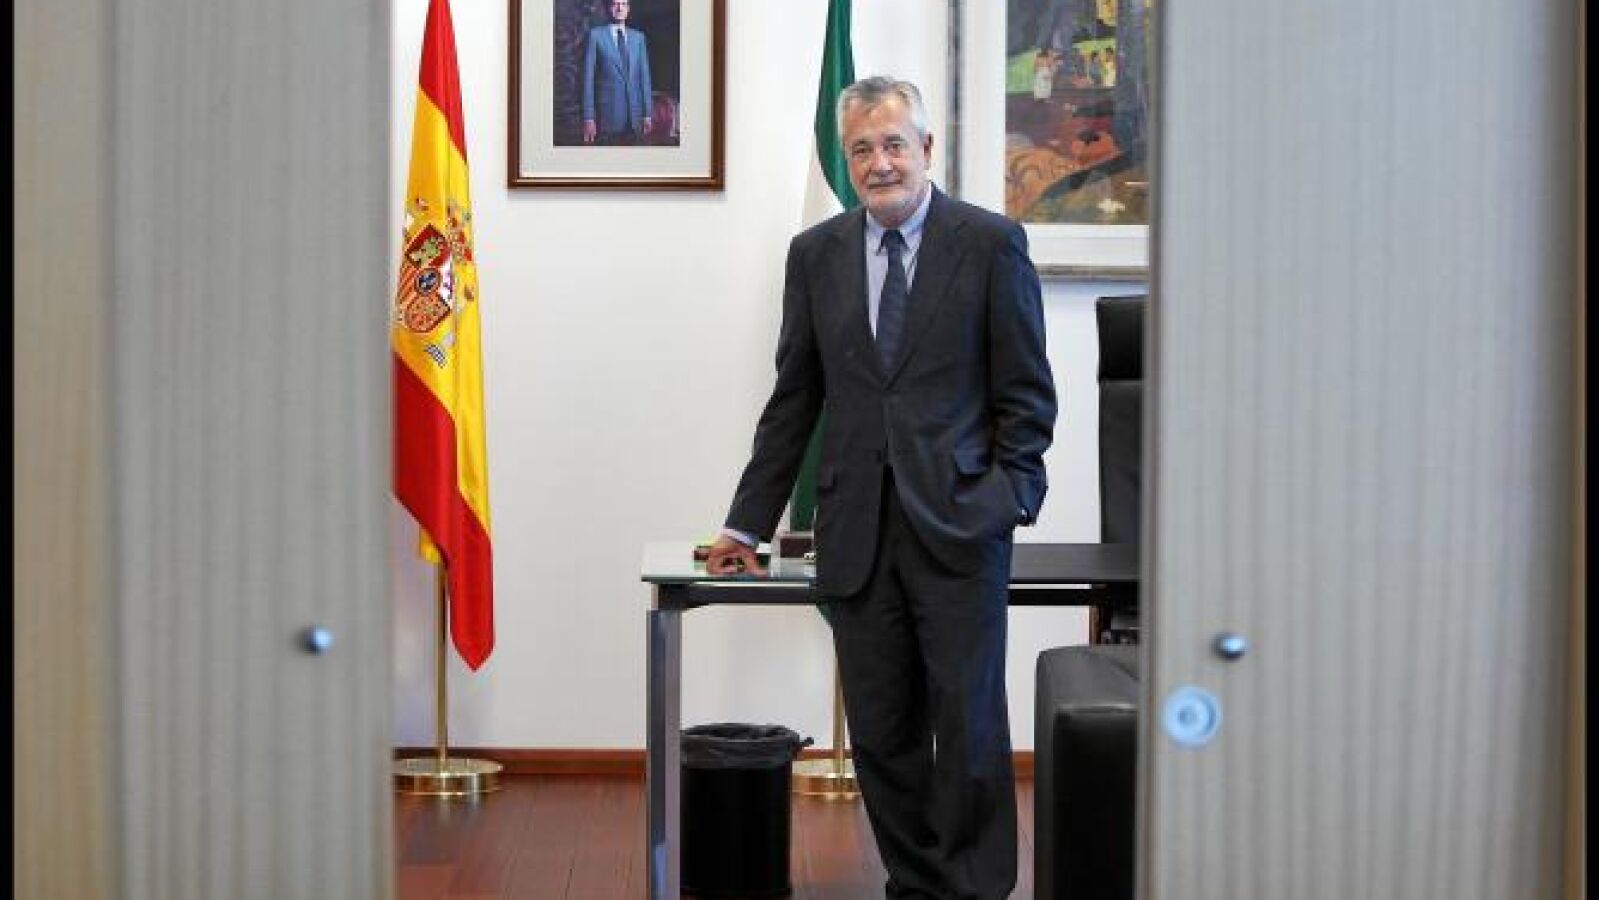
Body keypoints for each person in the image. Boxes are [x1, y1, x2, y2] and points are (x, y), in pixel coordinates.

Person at [705, 76, 1056, 900]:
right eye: (861, 149)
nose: (878, 163)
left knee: (967, 722)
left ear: (926, 148)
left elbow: (1026, 395)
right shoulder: (815, 255)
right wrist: (745, 525)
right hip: (856, 530)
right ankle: (916, 883)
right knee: (881, 729)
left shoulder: (989, 244)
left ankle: (974, 888)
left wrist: (1008, 497)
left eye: (894, 144)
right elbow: (795, 400)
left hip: (960, 526)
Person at [581, 0, 652, 144]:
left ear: (628, 9)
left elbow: (645, 78)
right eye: (615, 4)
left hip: (635, 118)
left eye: (624, 4)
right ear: (609, 8)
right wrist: (588, 117)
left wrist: (647, 113)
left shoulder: (639, 38)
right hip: (607, 118)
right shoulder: (595, 36)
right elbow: (588, 80)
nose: (620, 8)